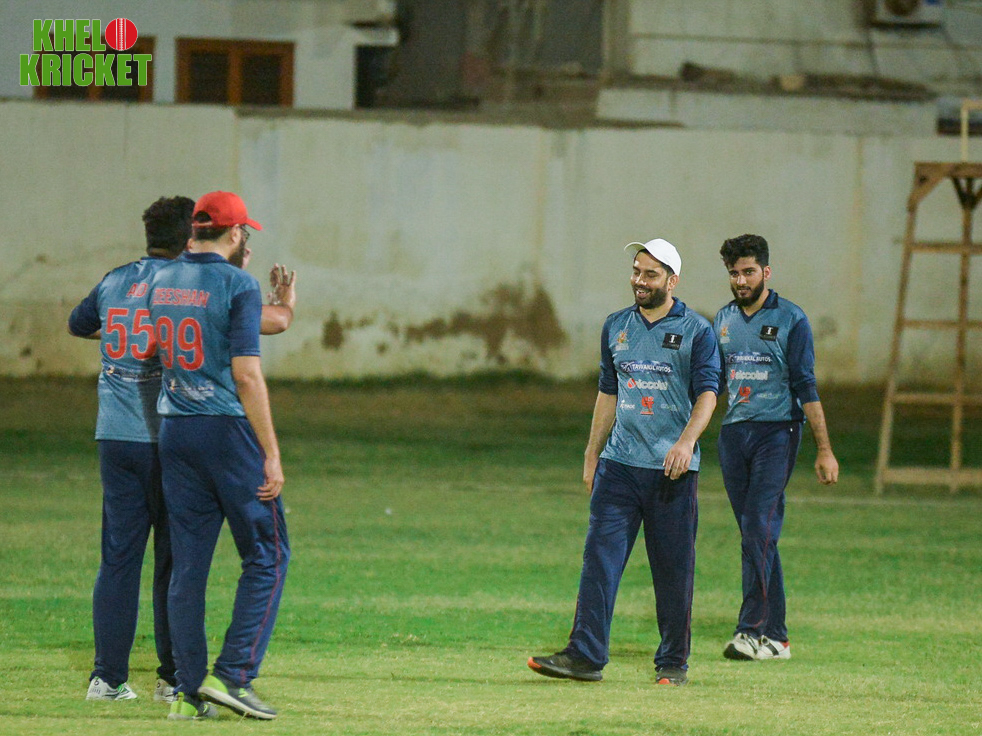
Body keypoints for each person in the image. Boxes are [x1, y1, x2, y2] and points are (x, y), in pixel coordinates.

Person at [68, 196, 297, 705]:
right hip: (182, 429)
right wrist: (273, 299)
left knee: (126, 559)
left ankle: (116, 678)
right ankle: (187, 678)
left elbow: (82, 324)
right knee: (190, 560)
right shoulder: (198, 282)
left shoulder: (128, 281)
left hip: (125, 433)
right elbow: (251, 336)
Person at [528, 238, 720, 686]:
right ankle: (585, 656)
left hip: (671, 472)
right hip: (618, 467)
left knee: (672, 572)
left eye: (650, 274)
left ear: (672, 281)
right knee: (599, 561)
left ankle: (673, 663)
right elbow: (608, 393)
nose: (640, 281)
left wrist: (686, 443)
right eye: (636, 271)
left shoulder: (697, 330)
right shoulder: (616, 325)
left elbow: (709, 394)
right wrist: (591, 454)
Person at [147, 191, 290, 721]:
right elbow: (246, 374)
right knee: (268, 554)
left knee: (187, 566)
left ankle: (187, 694)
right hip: (226, 432)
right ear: (235, 233)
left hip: (176, 431)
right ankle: (232, 676)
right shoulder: (237, 284)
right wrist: (270, 453)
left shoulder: (162, 278)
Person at [713, 233, 839, 662]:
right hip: (734, 436)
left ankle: (750, 631)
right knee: (758, 537)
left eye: (749, 271)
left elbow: (806, 385)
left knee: (757, 529)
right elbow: (714, 383)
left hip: (778, 434)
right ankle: (778, 638)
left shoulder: (791, 319)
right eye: (734, 273)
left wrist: (824, 449)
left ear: (766, 271)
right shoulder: (723, 319)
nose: (741, 280)